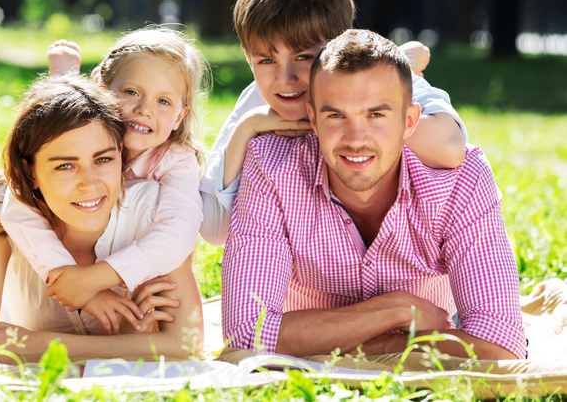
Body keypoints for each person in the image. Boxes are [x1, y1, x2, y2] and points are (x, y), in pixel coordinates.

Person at [222, 29, 526, 361]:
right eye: (336, 115)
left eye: (375, 115)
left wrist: (368, 348)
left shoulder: (461, 179)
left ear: (409, 120)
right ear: (313, 117)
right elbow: (247, 334)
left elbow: (502, 344)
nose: (356, 139)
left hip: (308, 347)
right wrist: (394, 311)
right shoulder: (271, 167)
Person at [199, 0, 467, 246]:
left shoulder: (387, 79)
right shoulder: (258, 99)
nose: (284, 78)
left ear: (341, 46)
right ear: (248, 57)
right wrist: (246, 128)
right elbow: (215, 228)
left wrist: (379, 106)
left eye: (303, 56)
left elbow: (450, 149)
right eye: (266, 60)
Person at [0, 75, 203, 361]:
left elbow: (185, 345)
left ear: (121, 154)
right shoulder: (3, 209)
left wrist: (43, 346)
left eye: (103, 160)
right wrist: (134, 345)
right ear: (30, 172)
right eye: (66, 166)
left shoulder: (155, 213)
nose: (89, 184)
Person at [0, 27, 208, 328]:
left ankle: (66, 81)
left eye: (164, 102)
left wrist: (97, 279)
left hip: (138, 283)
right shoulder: (81, 140)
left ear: (179, 116)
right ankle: (65, 84)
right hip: (61, 286)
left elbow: (178, 232)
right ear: (100, 87)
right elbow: (18, 203)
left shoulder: (177, 161)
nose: (144, 109)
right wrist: (75, 282)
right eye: (132, 92)